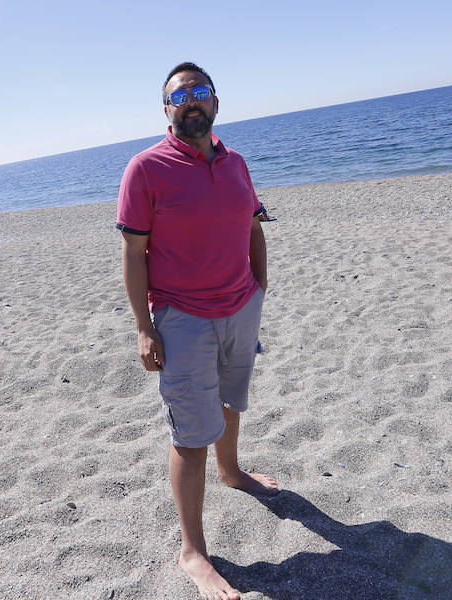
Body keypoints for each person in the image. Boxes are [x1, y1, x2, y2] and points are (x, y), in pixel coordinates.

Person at [117, 62, 277, 600]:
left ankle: (232, 472)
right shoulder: (145, 168)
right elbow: (134, 253)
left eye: (200, 92)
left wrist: (260, 284)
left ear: (215, 102)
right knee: (189, 433)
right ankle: (193, 552)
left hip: (240, 305)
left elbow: (252, 224)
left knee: (232, 400)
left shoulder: (235, 161)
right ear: (167, 109)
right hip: (182, 317)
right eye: (179, 95)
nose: (191, 101)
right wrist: (143, 327)